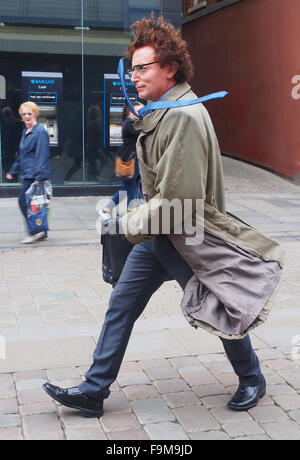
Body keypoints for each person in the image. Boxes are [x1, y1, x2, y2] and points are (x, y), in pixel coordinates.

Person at [43, 16, 284, 417]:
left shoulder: (184, 117)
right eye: (132, 68)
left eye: (143, 67)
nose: (134, 76)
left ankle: (252, 377)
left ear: (170, 68)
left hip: (186, 235)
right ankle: (93, 390)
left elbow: (180, 200)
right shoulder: (165, 111)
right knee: (122, 305)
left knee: (217, 305)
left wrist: (126, 223)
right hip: (161, 234)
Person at [6, 101, 51, 244]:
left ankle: (34, 231)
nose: (26, 116)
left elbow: (42, 155)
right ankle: (41, 231)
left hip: (35, 175)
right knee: (35, 204)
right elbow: (22, 155)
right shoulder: (26, 131)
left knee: (25, 202)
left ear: (35, 114)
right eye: (24, 114)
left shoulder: (40, 131)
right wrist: (13, 171)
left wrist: (39, 177)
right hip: (27, 173)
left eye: (29, 114)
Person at [99, 101, 143, 219]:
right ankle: (130, 214)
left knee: (127, 188)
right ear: (131, 111)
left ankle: (107, 208)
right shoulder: (130, 124)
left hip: (130, 160)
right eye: (139, 111)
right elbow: (142, 132)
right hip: (131, 161)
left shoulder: (130, 123)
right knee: (131, 189)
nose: (141, 114)